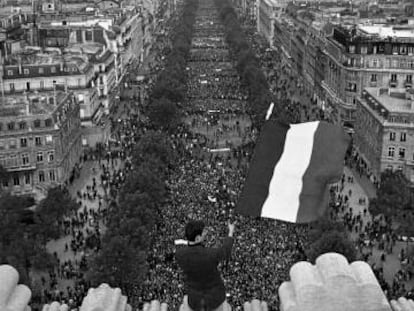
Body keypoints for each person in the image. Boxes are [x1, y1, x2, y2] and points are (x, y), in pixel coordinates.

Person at [176, 220, 236, 311]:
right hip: (215, 299)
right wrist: (231, 232)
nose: (206, 233)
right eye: (203, 232)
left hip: (194, 300)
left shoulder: (180, 254)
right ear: (197, 238)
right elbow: (225, 251)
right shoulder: (210, 254)